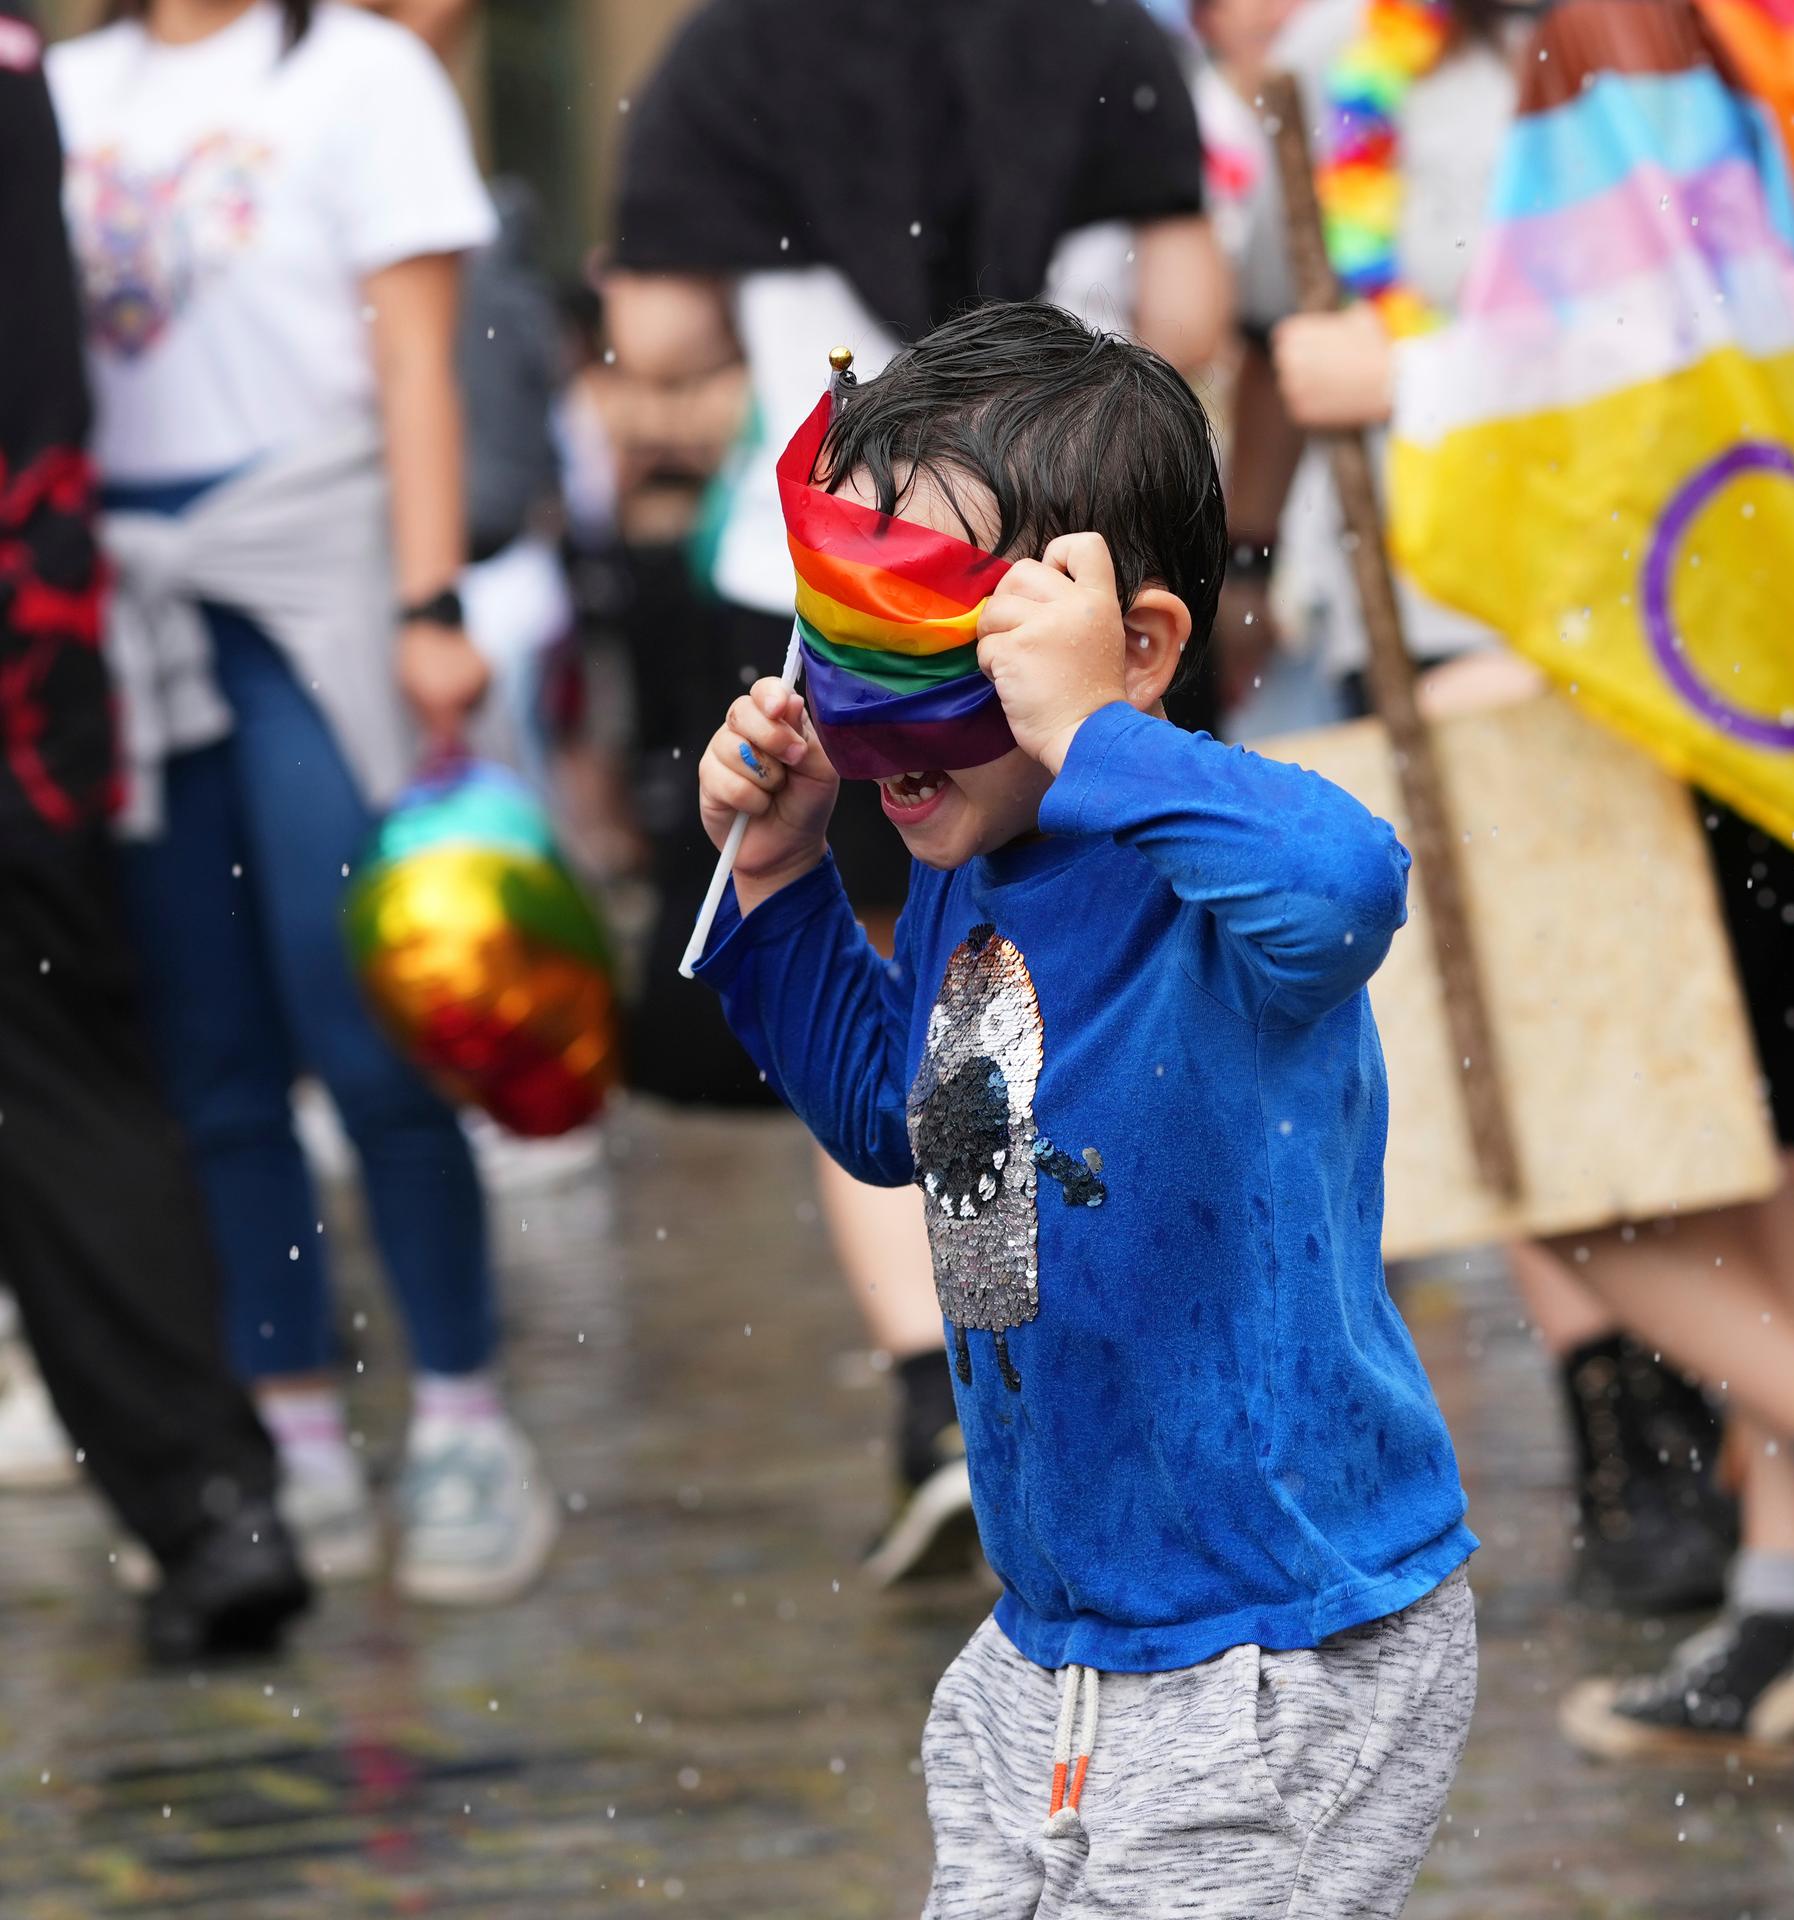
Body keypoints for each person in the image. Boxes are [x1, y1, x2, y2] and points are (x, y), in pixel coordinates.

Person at [1251, 0, 1794, 1751]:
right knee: (1756, 1142)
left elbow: (1690, 357)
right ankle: (1793, 1586)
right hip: (1772, 659)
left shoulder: (1628, 26)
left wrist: (1411, 387)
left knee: (1547, 1142)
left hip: (1707, 672)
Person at [692, 302, 1477, 1917]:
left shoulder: (1204, 879)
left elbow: (1351, 885)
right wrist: (773, 878)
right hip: (1053, 1637)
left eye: (955, 642)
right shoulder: (970, 881)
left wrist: (1097, 741)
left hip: (1280, 1637)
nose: (887, 702)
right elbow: (889, 1125)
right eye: (856, 632)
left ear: (1134, 645)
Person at [607, 0, 1232, 1584]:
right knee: (1123, 932)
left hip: (839, 593)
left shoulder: (734, 52)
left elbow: (665, 333)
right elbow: (1191, 307)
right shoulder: (1109, 35)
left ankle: (943, 1383)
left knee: (921, 968)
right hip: (1081, 582)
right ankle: (1114, 1346)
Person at [48, 0, 558, 1607]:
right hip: (125, 590)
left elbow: (414, 351)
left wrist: (425, 605)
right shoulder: (66, 86)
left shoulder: (361, 72)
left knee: (371, 1015)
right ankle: (289, 1421)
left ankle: (465, 1412)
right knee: (203, 1041)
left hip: (317, 563)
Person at [0, 0, 310, 1662]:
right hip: (29, 665)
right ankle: (206, 1500)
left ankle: (207, 1499)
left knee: (57, 1074)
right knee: (63, 1081)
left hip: (27, 659)